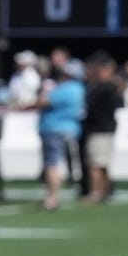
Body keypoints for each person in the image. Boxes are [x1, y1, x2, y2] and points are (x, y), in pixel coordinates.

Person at [36, 59, 87, 211]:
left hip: (54, 128)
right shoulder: (79, 88)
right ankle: (54, 194)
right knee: (59, 163)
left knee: (51, 164)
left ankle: (52, 197)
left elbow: (45, 102)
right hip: (70, 129)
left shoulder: (65, 88)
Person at [81, 52, 122, 204]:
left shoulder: (104, 87)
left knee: (95, 164)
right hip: (107, 128)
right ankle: (104, 191)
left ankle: (96, 192)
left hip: (99, 129)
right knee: (103, 163)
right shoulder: (111, 86)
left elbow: (89, 107)